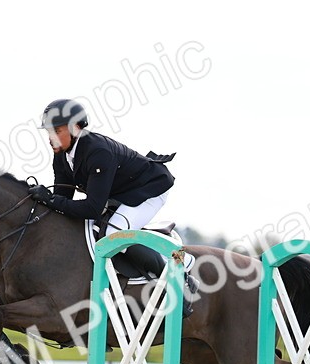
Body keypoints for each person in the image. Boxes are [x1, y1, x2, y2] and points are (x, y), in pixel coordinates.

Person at [28, 98, 192, 315]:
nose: (51, 138)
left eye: (56, 131)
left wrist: (49, 199)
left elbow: (91, 209)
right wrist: (45, 201)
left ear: (75, 128)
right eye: (49, 132)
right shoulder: (62, 155)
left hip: (150, 189)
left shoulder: (98, 152)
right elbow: (62, 201)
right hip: (121, 192)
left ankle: (179, 282)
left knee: (114, 234)